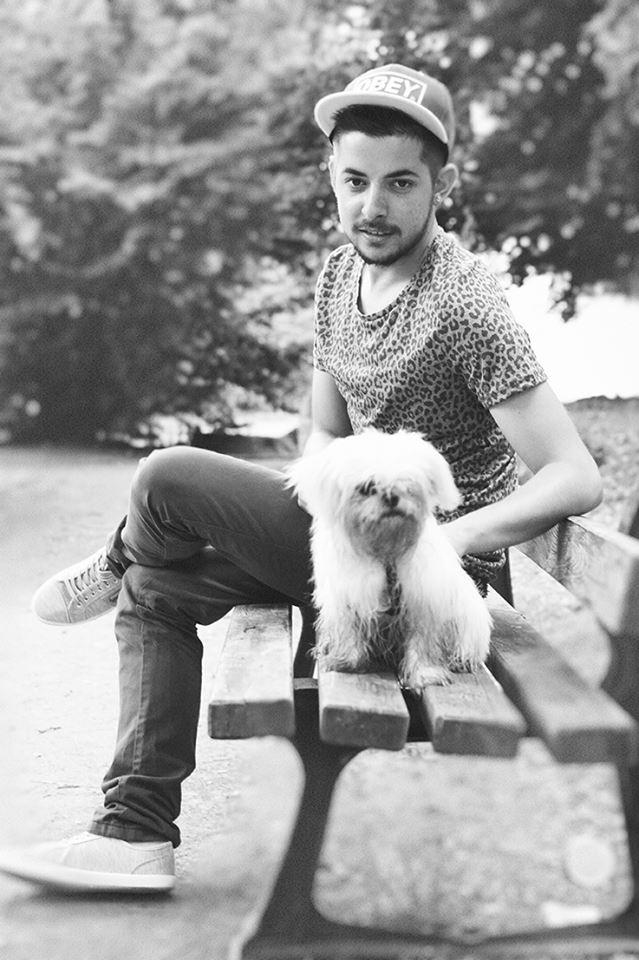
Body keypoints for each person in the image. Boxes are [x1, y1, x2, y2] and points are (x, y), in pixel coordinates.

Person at [0, 63, 602, 892]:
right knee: (156, 589)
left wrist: (445, 535)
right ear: (331, 176)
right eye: (355, 181)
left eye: (399, 183)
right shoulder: (338, 277)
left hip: (424, 580)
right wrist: (319, 494)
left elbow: (574, 475)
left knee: (166, 475)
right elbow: (323, 429)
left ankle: (114, 555)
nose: (372, 205)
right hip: (343, 543)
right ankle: (134, 832)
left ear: (442, 185)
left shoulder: (464, 307)